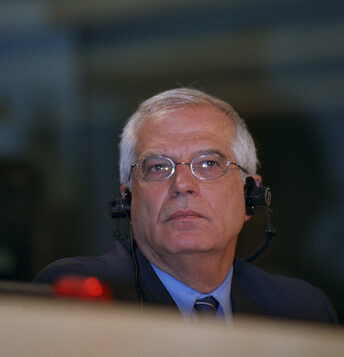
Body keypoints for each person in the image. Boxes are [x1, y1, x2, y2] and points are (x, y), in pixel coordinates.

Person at [35, 87, 337, 322]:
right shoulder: (83, 290)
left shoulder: (301, 309)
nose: (182, 185)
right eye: (157, 167)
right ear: (128, 200)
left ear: (250, 196)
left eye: (208, 164)